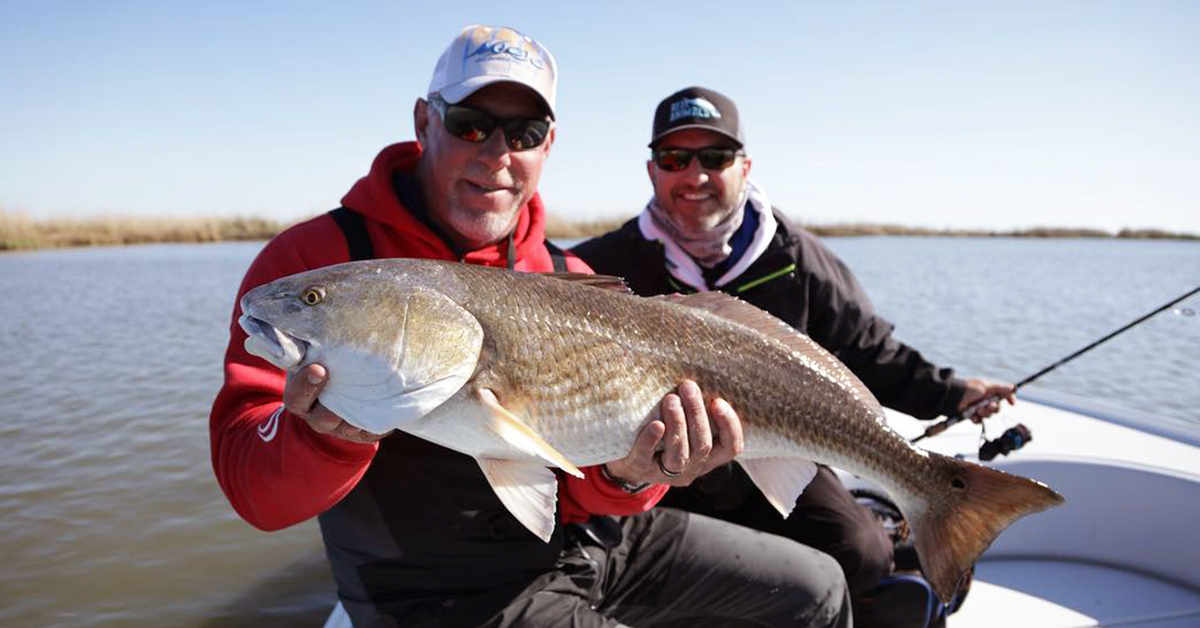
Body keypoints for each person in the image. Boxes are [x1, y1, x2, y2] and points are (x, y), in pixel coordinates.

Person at [210, 30, 851, 628]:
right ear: (424, 122)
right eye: (471, 123)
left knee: (818, 586)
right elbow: (256, 497)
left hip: (583, 547)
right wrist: (322, 439)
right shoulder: (317, 263)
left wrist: (631, 474)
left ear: (548, 145)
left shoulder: (570, 276)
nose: (497, 153)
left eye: (525, 131)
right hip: (436, 597)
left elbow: (580, 494)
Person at [573, 86, 1017, 622]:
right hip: (653, 470)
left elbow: (867, 349)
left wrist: (953, 392)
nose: (695, 176)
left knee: (861, 552)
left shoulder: (794, 255)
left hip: (775, 452)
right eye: (674, 158)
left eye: (715, 157)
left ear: (744, 166)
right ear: (652, 171)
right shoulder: (598, 266)